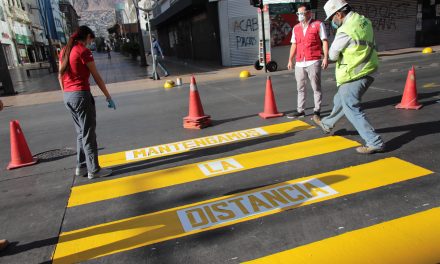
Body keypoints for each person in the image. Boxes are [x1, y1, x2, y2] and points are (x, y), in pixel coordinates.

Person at [313, 0, 384, 154]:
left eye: (332, 18)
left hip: (355, 73)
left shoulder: (345, 30)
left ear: (339, 14)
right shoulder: (364, 21)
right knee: (340, 100)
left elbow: (332, 55)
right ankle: (327, 123)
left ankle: (374, 142)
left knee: (351, 106)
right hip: (369, 68)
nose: (332, 22)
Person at [58, 26, 116, 179]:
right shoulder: (83, 51)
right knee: (88, 134)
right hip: (81, 96)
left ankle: (81, 166)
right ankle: (94, 170)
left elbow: (60, 75)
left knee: (80, 133)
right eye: (91, 39)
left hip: (68, 96)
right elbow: (96, 77)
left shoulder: (64, 50)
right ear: (88, 36)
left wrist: (66, 94)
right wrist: (108, 96)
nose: (91, 42)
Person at [287, 3, 329, 120]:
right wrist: (290, 59)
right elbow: (294, 45)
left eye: (302, 13)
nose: (300, 15)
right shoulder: (296, 28)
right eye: (298, 13)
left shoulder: (318, 25)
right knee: (300, 87)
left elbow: (324, 41)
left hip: (313, 60)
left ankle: (317, 110)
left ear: (309, 13)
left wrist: (325, 57)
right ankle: (300, 110)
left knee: (316, 87)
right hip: (300, 62)